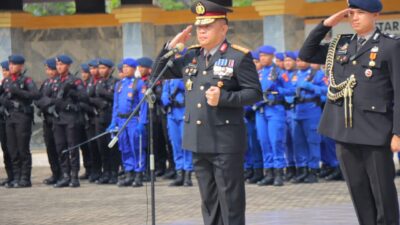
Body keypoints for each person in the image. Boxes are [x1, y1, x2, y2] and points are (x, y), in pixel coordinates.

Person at [152, 1, 262, 224]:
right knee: (209, 203)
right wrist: (170, 48)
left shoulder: (238, 57)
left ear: (223, 28)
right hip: (198, 140)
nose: (201, 31)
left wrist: (225, 98)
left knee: (230, 204)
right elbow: (157, 74)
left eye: (208, 26)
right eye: (199, 26)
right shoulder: (191, 57)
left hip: (225, 142)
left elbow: (254, 93)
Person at [299, 0, 400, 224]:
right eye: (351, 13)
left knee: (382, 192)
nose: (354, 17)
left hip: (375, 130)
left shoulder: (390, 46)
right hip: (344, 129)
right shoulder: (341, 45)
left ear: (375, 15)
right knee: (358, 191)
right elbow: (306, 54)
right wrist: (326, 24)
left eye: (360, 13)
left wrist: (398, 132)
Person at [108, 58, 148, 187]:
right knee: (124, 147)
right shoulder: (119, 84)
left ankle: (138, 174)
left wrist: (142, 122)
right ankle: (129, 173)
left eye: (128, 67)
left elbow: (143, 105)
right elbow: (116, 105)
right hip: (121, 120)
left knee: (136, 147)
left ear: (134, 68)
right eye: (123, 67)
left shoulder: (139, 83)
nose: (124, 69)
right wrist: (113, 122)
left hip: (133, 120)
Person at [2, 54, 40, 188]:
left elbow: (35, 95)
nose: (10, 66)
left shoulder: (27, 80)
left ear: (21, 66)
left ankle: (25, 178)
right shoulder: (6, 81)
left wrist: (18, 92)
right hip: (10, 117)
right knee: (12, 148)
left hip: (22, 117)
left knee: (22, 148)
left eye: (13, 64)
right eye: (10, 64)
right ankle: (16, 177)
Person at [52, 54, 87, 188]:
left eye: (61, 64)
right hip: (58, 119)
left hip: (71, 118)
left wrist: (72, 93)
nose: (59, 67)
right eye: (57, 65)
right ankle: (65, 175)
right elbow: (45, 97)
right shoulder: (54, 81)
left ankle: (74, 176)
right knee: (60, 147)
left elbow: (84, 97)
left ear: (68, 66)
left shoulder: (75, 81)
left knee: (72, 147)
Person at [93, 58, 120, 184]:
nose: (101, 70)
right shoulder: (98, 82)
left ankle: (114, 172)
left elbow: (117, 97)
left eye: (103, 68)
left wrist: (103, 94)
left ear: (110, 69)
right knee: (102, 146)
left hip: (111, 117)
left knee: (112, 147)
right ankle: (106, 172)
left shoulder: (116, 82)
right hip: (99, 117)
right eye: (100, 68)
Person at [35, 58, 61, 185]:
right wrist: (44, 105)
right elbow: (37, 98)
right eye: (47, 69)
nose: (48, 72)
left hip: (58, 119)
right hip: (47, 118)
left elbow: (58, 100)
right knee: (50, 147)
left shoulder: (61, 82)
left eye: (50, 69)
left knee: (59, 147)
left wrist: (47, 102)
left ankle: (63, 173)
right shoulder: (46, 83)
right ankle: (55, 173)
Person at [0, 61, 13, 186]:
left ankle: (16, 175)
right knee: (5, 148)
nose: (4, 73)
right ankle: (10, 176)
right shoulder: (3, 84)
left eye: (6, 70)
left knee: (13, 148)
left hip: (13, 119)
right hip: (3, 120)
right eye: (3, 70)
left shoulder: (14, 85)